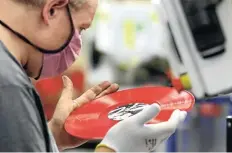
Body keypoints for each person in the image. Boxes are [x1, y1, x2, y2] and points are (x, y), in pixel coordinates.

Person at [0, 0, 187, 152]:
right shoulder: (8, 85)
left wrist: (52, 137)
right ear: (52, 10)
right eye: (81, 29)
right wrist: (113, 149)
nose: (77, 44)